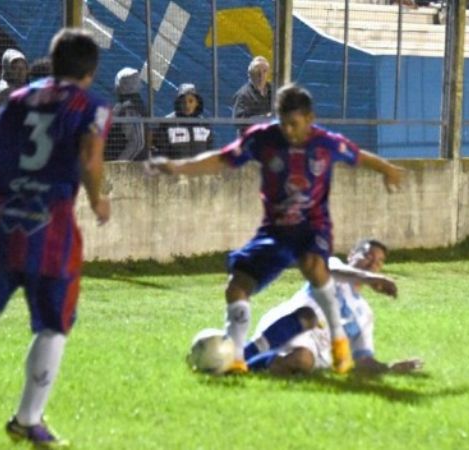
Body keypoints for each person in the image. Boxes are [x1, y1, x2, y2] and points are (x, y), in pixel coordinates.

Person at [147, 83, 405, 375]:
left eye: (294, 124)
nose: (289, 131)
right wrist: (178, 167)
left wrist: (388, 169)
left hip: (312, 227)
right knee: (237, 285)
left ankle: (339, 343)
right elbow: (221, 159)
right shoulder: (263, 139)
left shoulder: (326, 143)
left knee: (314, 264)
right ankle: (235, 359)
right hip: (275, 232)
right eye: (283, 123)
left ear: (309, 119)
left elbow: (359, 156)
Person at [0, 28, 111, 448]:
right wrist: (98, 198)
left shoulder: (16, 100)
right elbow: (89, 156)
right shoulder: (93, 106)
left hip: (5, 224)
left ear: (52, 63)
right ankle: (27, 420)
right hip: (51, 231)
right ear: (90, 71)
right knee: (54, 324)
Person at [244, 239, 424, 376]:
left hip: (314, 351)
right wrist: (368, 278)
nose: (372, 264)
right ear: (352, 254)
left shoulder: (365, 314)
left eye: (378, 262)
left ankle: (247, 364)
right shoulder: (333, 266)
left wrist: (389, 367)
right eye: (368, 256)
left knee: (302, 359)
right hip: (288, 326)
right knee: (309, 315)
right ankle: (245, 353)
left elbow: (362, 359)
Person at [153, 83, 213, 159]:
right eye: (183, 102)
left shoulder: (204, 125)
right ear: (178, 103)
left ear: (197, 103)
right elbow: (161, 152)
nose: (187, 105)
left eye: (191, 101)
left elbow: (209, 151)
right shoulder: (167, 123)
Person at [108, 67, 148, 161]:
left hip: (131, 168)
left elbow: (137, 142)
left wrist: (120, 164)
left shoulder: (131, 108)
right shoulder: (123, 106)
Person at [232, 56, 272, 136]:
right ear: (250, 74)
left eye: (264, 71)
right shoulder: (243, 94)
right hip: (251, 140)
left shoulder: (274, 91)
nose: (261, 75)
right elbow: (238, 122)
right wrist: (264, 118)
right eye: (257, 72)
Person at [0, 48, 29, 116]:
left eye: (23, 68)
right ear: (7, 70)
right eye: (15, 68)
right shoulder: (5, 91)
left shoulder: (23, 88)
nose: (20, 72)